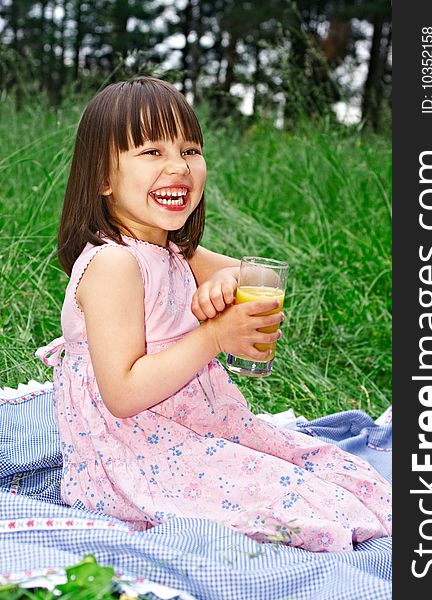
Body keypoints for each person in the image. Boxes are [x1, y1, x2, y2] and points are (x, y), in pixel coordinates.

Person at [36, 76, 392, 552]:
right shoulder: (114, 263)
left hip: (195, 428)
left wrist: (229, 282)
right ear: (102, 177)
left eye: (190, 150)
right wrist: (212, 337)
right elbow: (121, 394)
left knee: (326, 471)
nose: (177, 167)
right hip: (136, 454)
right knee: (291, 506)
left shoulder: (171, 249)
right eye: (151, 152)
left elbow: (260, 279)